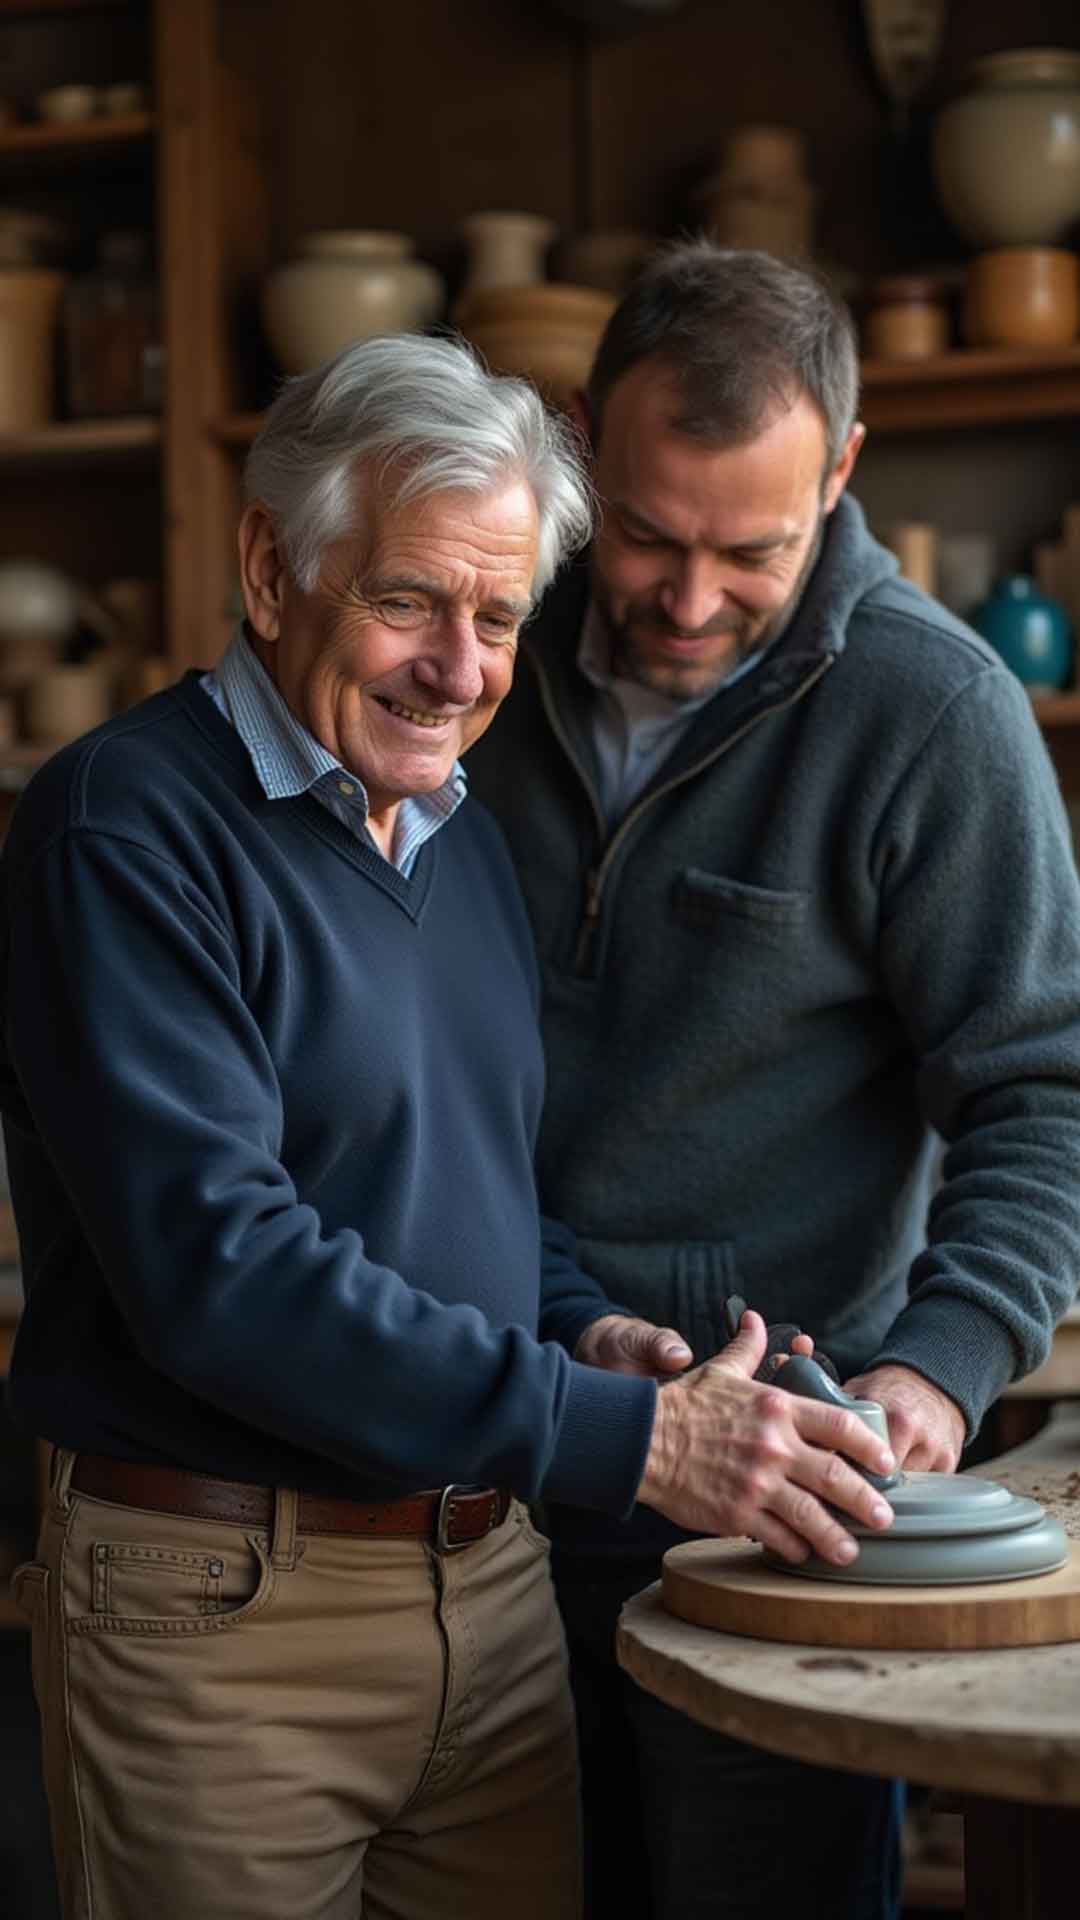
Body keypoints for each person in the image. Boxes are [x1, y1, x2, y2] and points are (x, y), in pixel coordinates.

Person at [0, 332, 897, 1920]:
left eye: (498, 618)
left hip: (492, 1601)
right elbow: (225, 1272)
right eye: (410, 601)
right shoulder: (121, 827)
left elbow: (477, 1198)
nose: (461, 669)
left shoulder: (460, 845)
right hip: (223, 1615)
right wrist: (639, 1441)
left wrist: (583, 1332)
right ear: (273, 571)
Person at [467, 242, 1080, 1920]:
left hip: (772, 1499)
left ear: (846, 473)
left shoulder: (931, 710)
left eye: (754, 550)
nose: (683, 599)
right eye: (651, 536)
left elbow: (1048, 1096)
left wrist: (937, 1377)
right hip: (469, 1446)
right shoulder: (470, 661)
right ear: (580, 440)